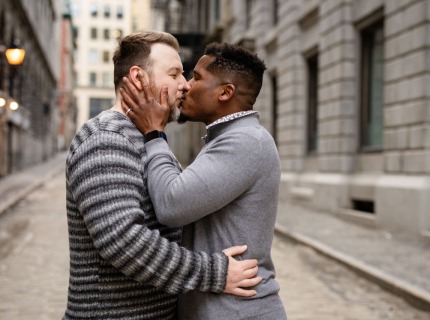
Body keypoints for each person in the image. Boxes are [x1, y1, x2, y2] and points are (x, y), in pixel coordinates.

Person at [64, 32, 261, 320]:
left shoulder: (147, 138)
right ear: (138, 78)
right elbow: (124, 242)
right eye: (174, 74)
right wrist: (215, 272)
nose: (185, 85)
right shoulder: (106, 139)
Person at [120, 42, 287, 319]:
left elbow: (171, 204)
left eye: (196, 77)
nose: (186, 86)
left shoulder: (244, 141)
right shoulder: (229, 137)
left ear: (225, 92)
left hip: (238, 311)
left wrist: (154, 133)